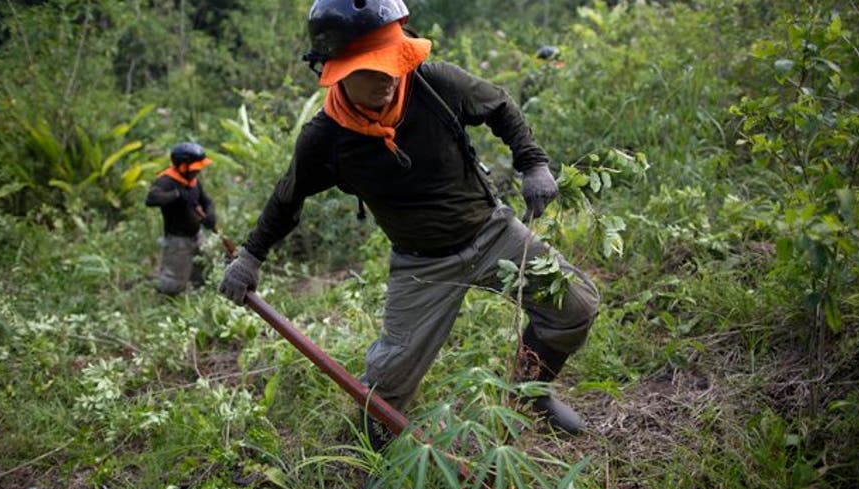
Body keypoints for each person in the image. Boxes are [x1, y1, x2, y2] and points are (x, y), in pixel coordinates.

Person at [219, 0, 599, 448]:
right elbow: (287, 198)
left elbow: (499, 105)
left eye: (392, 62)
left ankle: (531, 395)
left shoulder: (435, 85)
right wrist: (250, 257)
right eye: (370, 69)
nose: (386, 77)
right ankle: (379, 455)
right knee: (387, 379)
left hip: (491, 232)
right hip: (422, 265)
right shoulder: (326, 139)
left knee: (574, 306)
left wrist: (533, 163)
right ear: (336, 70)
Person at [145, 142, 216, 295]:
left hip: (197, 236)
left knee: (202, 272)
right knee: (173, 282)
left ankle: (199, 298)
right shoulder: (167, 181)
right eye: (195, 168)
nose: (198, 171)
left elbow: (207, 201)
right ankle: (165, 301)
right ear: (183, 166)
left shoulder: (193, 181)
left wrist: (210, 214)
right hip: (178, 240)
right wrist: (175, 195)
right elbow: (151, 199)